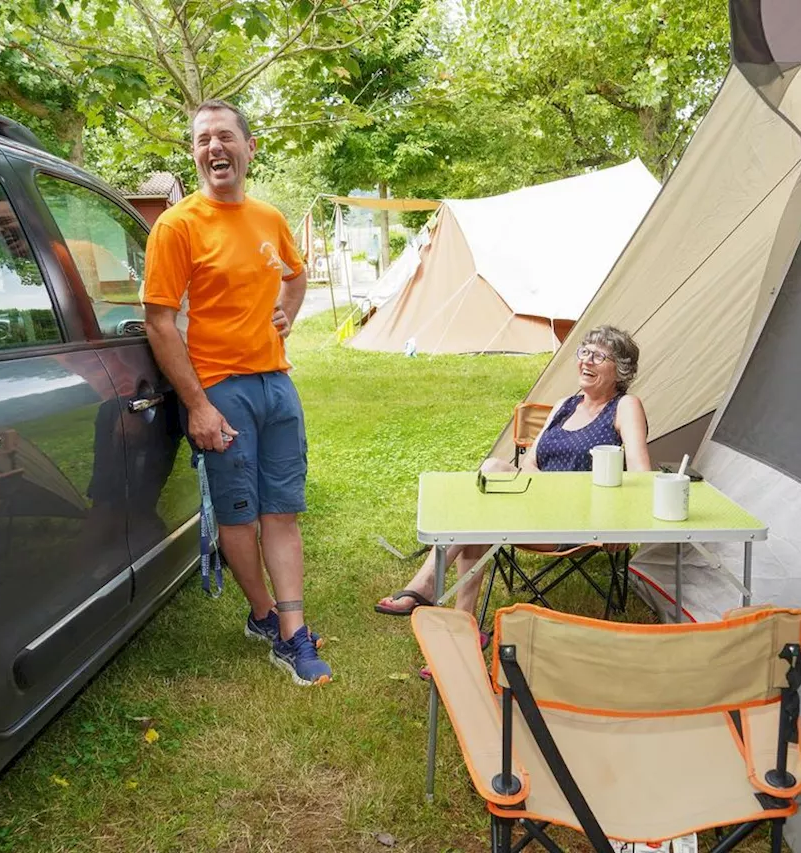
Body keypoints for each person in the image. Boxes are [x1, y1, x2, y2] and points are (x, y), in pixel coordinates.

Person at [142, 100, 331, 686]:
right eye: (202, 140)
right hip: (221, 389)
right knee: (240, 515)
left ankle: (293, 630)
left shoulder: (269, 218)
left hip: (277, 384)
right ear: (195, 153)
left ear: (250, 148)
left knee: (283, 509)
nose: (214, 148)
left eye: (226, 137)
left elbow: (295, 275)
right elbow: (159, 322)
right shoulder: (177, 226)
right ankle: (263, 616)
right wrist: (197, 405)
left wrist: (287, 315)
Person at [375, 325, 651, 620]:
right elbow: (530, 463)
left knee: (479, 515)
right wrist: (541, 494)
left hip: (577, 520)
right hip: (538, 505)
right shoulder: (564, 406)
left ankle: (436, 598)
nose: (586, 360)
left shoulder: (624, 406)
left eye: (599, 356)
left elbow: (640, 473)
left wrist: (622, 524)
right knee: (491, 470)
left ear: (620, 370)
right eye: (584, 352)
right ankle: (457, 615)